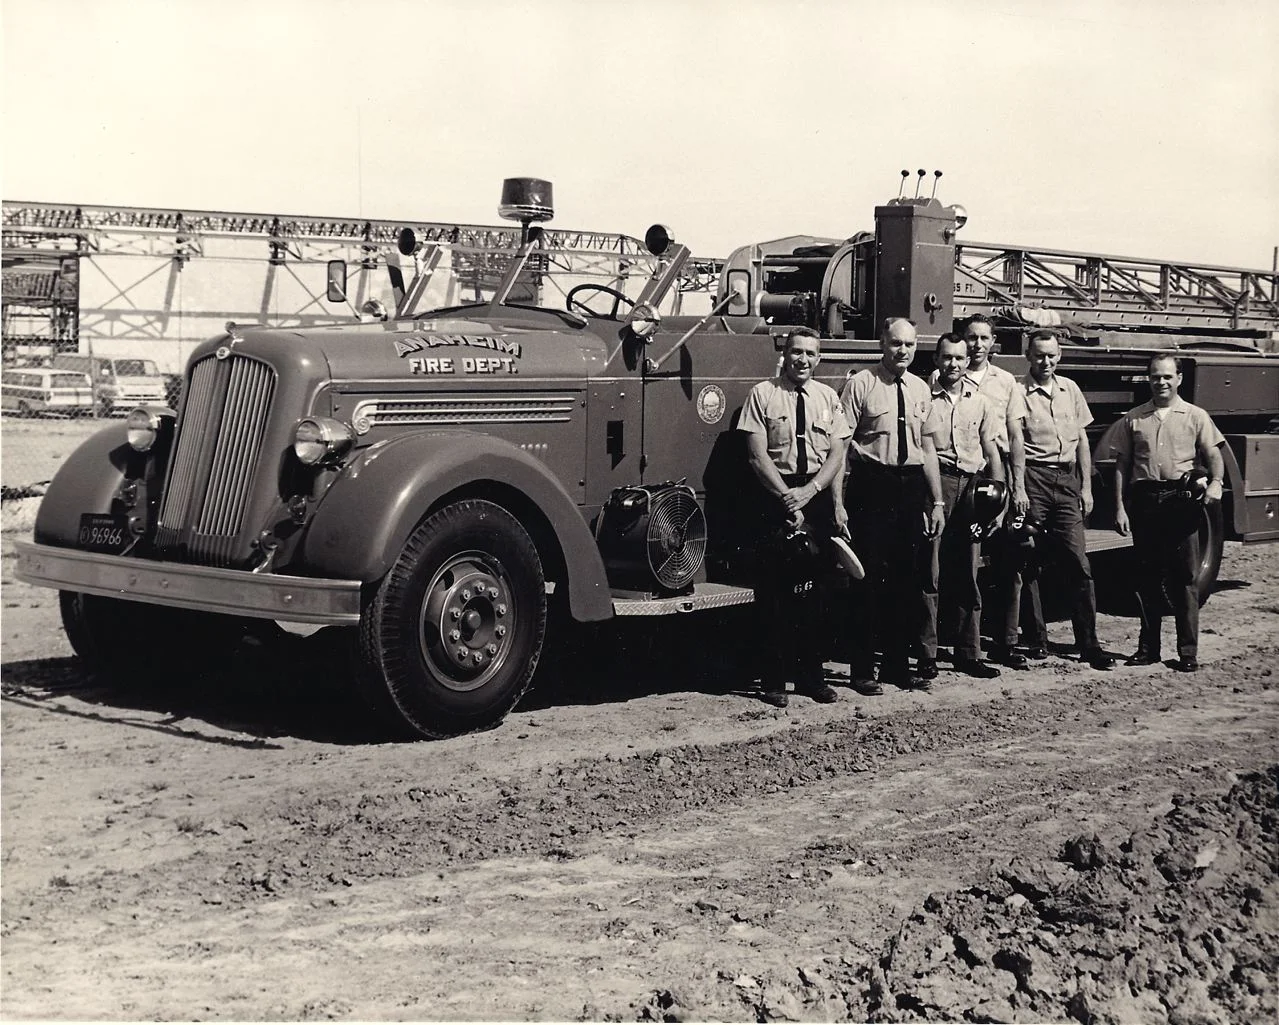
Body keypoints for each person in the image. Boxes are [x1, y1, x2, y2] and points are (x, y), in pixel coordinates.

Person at [739, 326, 851, 707]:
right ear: (784, 354)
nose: (802, 359)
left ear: (819, 359)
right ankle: (773, 680)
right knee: (775, 594)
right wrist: (788, 498)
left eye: (810, 353)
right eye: (796, 351)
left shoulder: (828, 397)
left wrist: (814, 492)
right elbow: (757, 456)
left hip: (814, 495)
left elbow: (837, 454)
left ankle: (811, 678)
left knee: (816, 594)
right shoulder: (762, 395)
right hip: (776, 497)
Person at [839, 317, 944, 694]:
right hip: (872, 485)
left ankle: (897, 666)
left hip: (910, 488)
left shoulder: (920, 388)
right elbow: (840, 445)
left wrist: (937, 501)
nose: (903, 351)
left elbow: (928, 448)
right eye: (896, 343)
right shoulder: (861, 384)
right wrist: (838, 500)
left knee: (906, 580)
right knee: (866, 580)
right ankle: (862, 669)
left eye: (910, 345)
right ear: (882, 343)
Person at [1005, 330, 1115, 670]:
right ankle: (1036, 639)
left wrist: (1086, 487)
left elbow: (1082, 439)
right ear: (1028, 356)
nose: (1046, 361)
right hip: (1034, 479)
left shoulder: (1071, 389)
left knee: (1078, 562)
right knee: (1029, 562)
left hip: (1067, 481)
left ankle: (1089, 644)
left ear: (1060, 356)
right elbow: (1015, 441)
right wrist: (1019, 488)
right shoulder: (1017, 391)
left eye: (1051, 355)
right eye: (1039, 355)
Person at [1110, 354, 1225, 672]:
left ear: (1179, 379)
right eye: (1155, 376)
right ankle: (1148, 649)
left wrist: (1216, 483)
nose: (1161, 382)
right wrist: (1119, 506)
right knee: (1146, 578)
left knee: (1184, 578)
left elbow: (1213, 454)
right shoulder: (1134, 418)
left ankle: (1188, 652)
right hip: (1146, 501)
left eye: (1167, 376)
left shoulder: (1195, 416)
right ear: (1148, 379)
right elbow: (1122, 464)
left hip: (1180, 501)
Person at [921, 333, 1004, 679]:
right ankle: (926, 653)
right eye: (946, 357)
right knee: (930, 572)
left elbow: (991, 450)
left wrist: (998, 499)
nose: (952, 364)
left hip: (971, 488)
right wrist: (934, 499)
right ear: (936, 360)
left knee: (968, 571)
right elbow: (924, 449)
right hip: (936, 485)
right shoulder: (924, 399)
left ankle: (969, 653)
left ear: (968, 362)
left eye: (959, 358)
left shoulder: (980, 402)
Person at [958, 315, 1034, 670]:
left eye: (983, 338)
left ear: (993, 342)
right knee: (968, 564)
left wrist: (1017, 487)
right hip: (966, 472)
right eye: (971, 337)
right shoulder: (946, 375)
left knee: (1009, 562)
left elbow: (1016, 437)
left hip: (998, 472)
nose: (977, 345)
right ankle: (968, 647)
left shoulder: (1006, 382)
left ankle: (1007, 642)